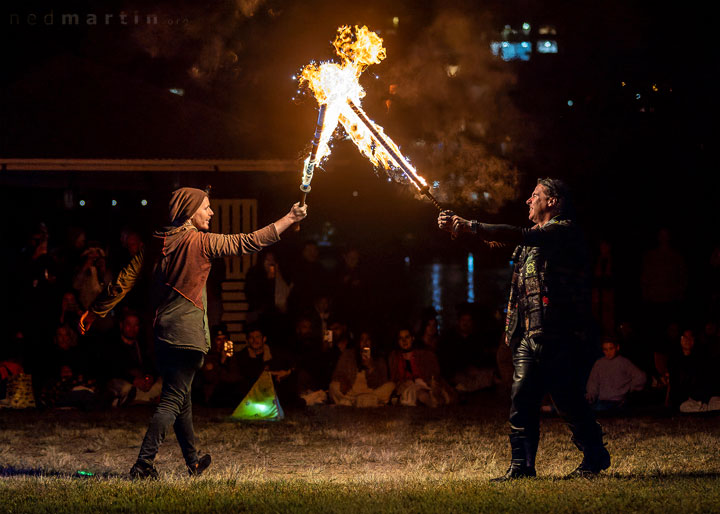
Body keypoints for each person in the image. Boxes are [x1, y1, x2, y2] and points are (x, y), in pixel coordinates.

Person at [78, 187, 307, 479]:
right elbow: (250, 241)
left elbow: (123, 281)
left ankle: (193, 461)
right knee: (173, 400)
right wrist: (289, 217)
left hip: (161, 335)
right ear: (189, 210)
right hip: (188, 337)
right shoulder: (202, 242)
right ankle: (143, 465)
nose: (211, 212)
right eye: (206, 207)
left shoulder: (156, 243)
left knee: (181, 399)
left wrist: (96, 310)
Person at [439, 178, 610, 480]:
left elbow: (515, 233)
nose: (528, 202)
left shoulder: (563, 231)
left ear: (553, 202)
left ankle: (594, 455)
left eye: (535, 196)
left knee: (567, 401)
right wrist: (460, 231)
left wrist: (472, 224)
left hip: (559, 334)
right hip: (529, 334)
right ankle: (521, 465)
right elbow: (492, 249)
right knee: (521, 400)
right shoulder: (531, 239)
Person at [585, 337, 646, 411]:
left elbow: (640, 377)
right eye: (605, 349)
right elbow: (593, 381)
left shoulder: (623, 362)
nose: (608, 352)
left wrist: (629, 389)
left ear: (617, 348)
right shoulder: (599, 364)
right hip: (602, 401)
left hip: (619, 402)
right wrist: (591, 395)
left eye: (611, 348)